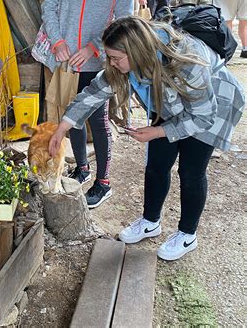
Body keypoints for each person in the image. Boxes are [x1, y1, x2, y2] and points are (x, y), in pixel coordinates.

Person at [49, 16, 244, 260]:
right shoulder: (126, 62)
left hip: (209, 106)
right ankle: (151, 221)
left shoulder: (187, 60)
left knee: (191, 171)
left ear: (136, 52)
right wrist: (61, 129)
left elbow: (203, 116)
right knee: (156, 165)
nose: (112, 63)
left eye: (116, 58)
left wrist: (160, 131)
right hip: (168, 100)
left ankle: (187, 234)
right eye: (109, 57)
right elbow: (93, 93)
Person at [41, 0, 134, 208]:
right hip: (66, 57)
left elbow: (122, 18)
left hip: (99, 58)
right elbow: (50, 4)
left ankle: (103, 181)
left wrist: (94, 46)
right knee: (71, 113)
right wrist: (58, 41)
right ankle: (81, 168)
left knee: (96, 117)